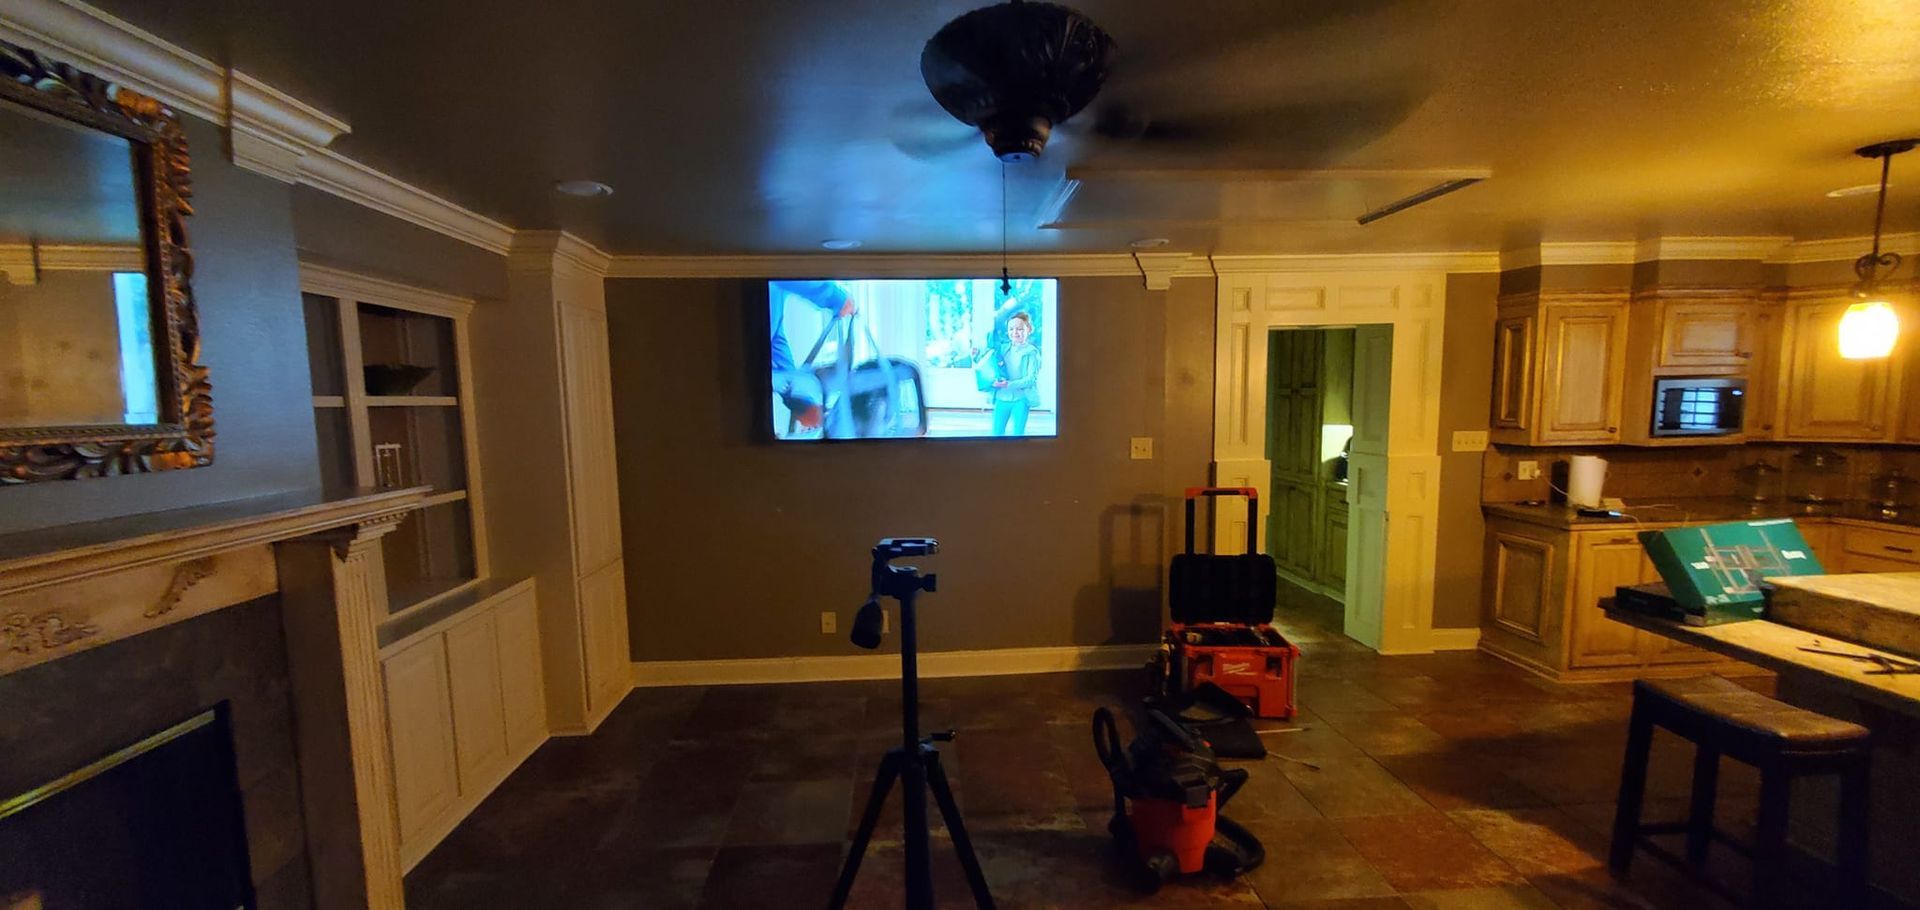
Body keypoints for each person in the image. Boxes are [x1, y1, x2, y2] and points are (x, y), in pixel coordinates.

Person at [768, 280, 855, 436]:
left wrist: (798, 400)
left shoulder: (774, 292)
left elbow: (775, 338)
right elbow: (790, 267)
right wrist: (837, 298)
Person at [991, 312, 1041, 436]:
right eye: (1011, 329)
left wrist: (1009, 384)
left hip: (1020, 399)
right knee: (996, 434)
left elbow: (1031, 379)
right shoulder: (1002, 349)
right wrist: (976, 355)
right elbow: (988, 362)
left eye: (1019, 329)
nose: (1015, 332)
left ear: (1028, 329)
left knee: (1018, 434)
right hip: (1001, 398)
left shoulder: (1032, 352)